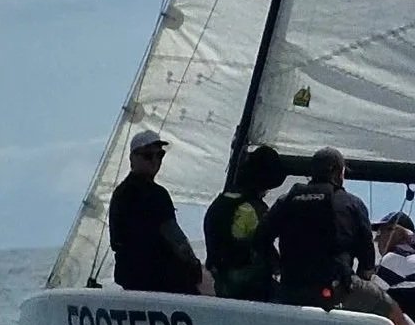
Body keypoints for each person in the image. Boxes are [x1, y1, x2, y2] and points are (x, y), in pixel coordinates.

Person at [268, 146, 415, 325]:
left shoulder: (286, 200)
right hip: (336, 290)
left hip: (290, 290)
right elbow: (367, 259)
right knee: (394, 315)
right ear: (338, 173)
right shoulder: (351, 203)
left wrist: (278, 267)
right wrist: (360, 279)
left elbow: (260, 241)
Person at [107, 128, 206, 294]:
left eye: (159, 155)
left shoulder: (119, 194)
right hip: (161, 281)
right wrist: (194, 265)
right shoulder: (156, 194)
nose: (155, 161)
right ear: (132, 158)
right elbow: (173, 235)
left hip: (131, 280)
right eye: (148, 155)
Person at [203, 144, 286, 302]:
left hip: (222, 283)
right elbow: (263, 244)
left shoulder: (219, 202)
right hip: (248, 286)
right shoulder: (252, 209)